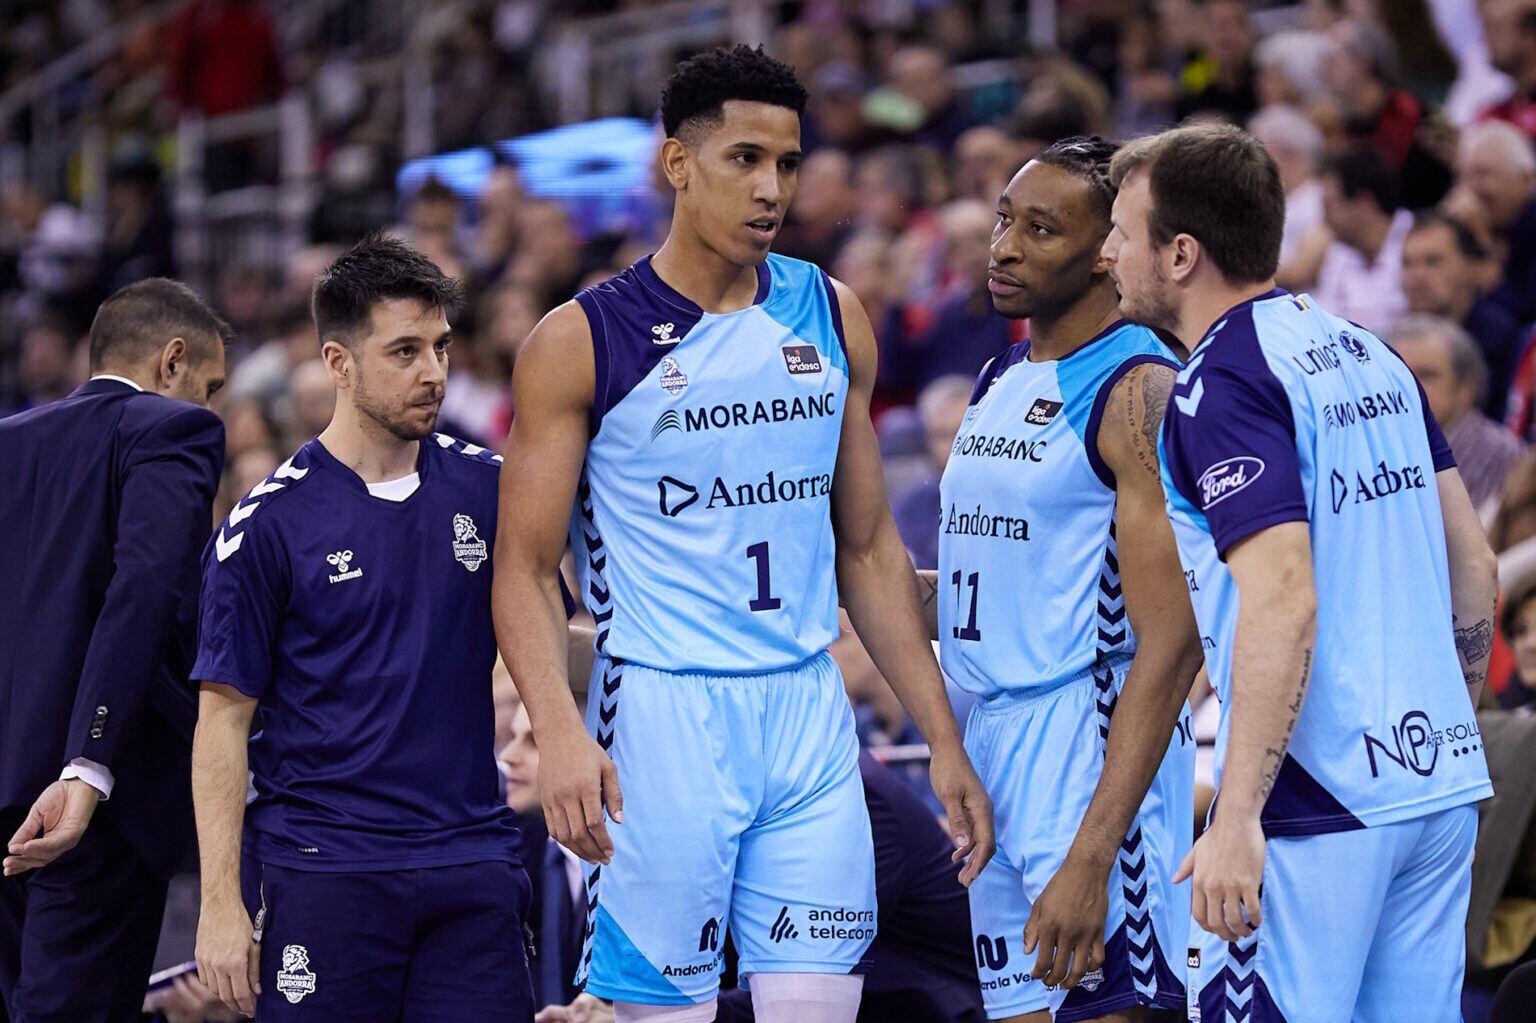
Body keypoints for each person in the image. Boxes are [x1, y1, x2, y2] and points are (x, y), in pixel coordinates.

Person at [494, 45, 993, 1023]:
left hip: (809, 722)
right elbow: (520, 568)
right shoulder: (578, 341)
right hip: (662, 723)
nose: (772, 188)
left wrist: (943, 737)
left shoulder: (830, 312)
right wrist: (558, 730)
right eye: (744, 159)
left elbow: (869, 552)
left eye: (789, 163)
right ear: (676, 164)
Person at [1103, 122, 1497, 1023]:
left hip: (1316, 805)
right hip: (1432, 780)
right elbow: (1471, 564)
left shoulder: (1220, 383)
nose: (1109, 251)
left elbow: (1284, 596)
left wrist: (1236, 812)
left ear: (1182, 254)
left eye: (1123, 231)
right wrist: (1444, 723)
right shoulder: (1373, 350)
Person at [189, 234, 535, 1021]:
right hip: (325, 868)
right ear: (338, 363)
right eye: (405, 351)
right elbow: (222, 720)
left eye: (442, 347)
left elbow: (549, 638)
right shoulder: (265, 525)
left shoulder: (491, 488)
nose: (434, 373)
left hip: (471, 859)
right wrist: (219, 904)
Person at [929, 137, 1200, 1023]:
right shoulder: (1000, 374)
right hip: (995, 735)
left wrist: (1092, 855)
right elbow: (1003, 576)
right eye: (1005, 218)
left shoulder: (1138, 388)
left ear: (1105, 251)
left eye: (1041, 229)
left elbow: (1171, 642)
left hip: (1087, 741)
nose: (1004, 244)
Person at [0, 278, 228, 1022]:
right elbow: (147, 585)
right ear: (171, 362)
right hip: (95, 805)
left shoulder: (10, 441)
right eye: (210, 384)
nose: (212, 405)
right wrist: (87, 763)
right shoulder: (173, 429)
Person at [1388, 314, 1523, 515]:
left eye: (1427, 375)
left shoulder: (1501, 454)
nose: (1410, 386)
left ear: (1466, 388)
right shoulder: (1378, 441)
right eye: (1399, 374)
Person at [1399, 210, 1526, 421]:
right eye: (1407, 264)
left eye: (1433, 261)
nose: (1417, 276)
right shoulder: (1389, 342)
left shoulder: (1506, 339)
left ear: (1471, 267)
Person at [1312, 146, 1413, 334]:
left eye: (1330, 206)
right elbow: (1322, 323)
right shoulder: (1338, 253)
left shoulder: (1419, 244)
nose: (1323, 219)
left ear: (1364, 204)